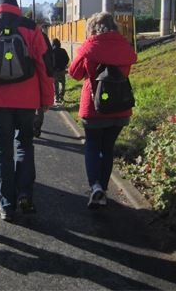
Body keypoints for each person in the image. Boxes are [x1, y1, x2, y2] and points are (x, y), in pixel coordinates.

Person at [0, 0, 54, 222]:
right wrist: (46, 99)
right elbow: (44, 65)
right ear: (17, 7)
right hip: (27, 100)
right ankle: (25, 195)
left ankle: (7, 204)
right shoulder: (31, 27)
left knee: (3, 152)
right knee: (25, 146)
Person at [68, 12, 137, 209]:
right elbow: (130, 62)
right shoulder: (124, 45)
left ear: (92, 28)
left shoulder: (90, 46)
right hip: (120, 107)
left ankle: (95, 186)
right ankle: (104, 190)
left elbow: (74, 73)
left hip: (94, 107)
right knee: (107, 149)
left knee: (92, 146)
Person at [51, 38, 70, 105]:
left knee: (56, 85)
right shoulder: (63, 50)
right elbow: (67, 59)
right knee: (63, 83)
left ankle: (57, 98)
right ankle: (62, 95)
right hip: (62, 69)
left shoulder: (52, 51)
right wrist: (64, 65)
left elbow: (50, 61)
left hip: (55, 70)